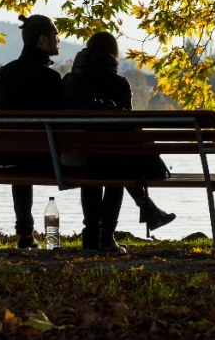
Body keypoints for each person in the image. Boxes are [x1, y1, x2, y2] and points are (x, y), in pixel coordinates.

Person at [62, 31, 175, 252]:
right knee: (117, 162)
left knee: (99, 162)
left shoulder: (68, 81)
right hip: (111, 160)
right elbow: (127, 131)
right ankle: (107, 237)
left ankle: (91, 237)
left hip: (71, 158)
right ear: (113, 55)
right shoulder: (119, 83)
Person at [0, 14, 62, 249]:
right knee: (28, 153)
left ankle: (25, 235)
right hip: (33, 159)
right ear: (42, 40)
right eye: (55, 36)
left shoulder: (4, 73)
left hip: (0, 159)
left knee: (18, 151)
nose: (58, 41)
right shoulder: (51, 78)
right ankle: (96, 232)